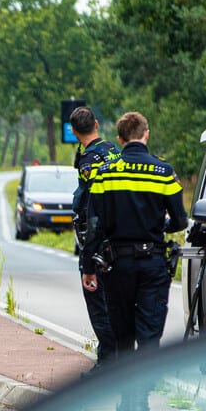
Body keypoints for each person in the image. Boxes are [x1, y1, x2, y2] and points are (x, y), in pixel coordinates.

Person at [80, 111, 187, 411]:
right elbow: (180, 221)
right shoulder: (163, 172)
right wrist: (158, 225)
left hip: (116, 265)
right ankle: (138, 403)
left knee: (123, 335)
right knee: (149, 335)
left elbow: (94, 225)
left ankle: (128, 398)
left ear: (121, 138)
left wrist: (88, 266)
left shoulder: (105, 173)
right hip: (153, 264)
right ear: (146, 134)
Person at [69, 107, 121, 367]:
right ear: (97, 125)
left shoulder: (89, 161)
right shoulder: (113, 150)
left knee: (98, 301)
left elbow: (91, 206)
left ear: (74, 131)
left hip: (98, 238)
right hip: (120, 235)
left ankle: (107, 362)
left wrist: (88, 255)